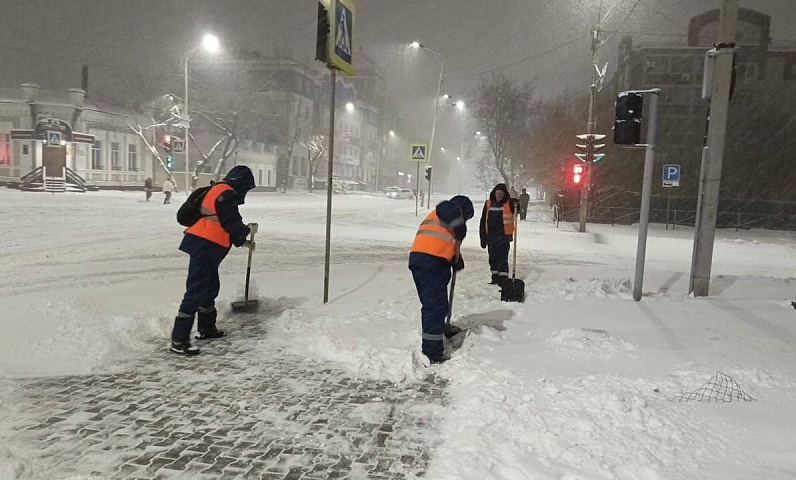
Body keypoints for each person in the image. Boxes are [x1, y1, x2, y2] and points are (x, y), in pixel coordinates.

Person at [170, 165, 256, 356]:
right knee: (196, 291)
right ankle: (179, 339)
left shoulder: (219, 189)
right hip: (204, 245)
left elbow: (222, 222)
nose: (245, 193)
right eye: (247, 187)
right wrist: (245, 231)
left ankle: (206, 329)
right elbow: (230, 221)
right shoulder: (225, 193)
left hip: (208, 245)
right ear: (240, 182)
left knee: (209, 289)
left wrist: (242, 240)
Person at [409, 195, 474, 364]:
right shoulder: (449, 209)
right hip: (430, 261)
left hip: (429, 261)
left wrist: (455, 258)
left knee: (435, 305)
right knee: (435, 307)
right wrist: (461, 228)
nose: (465, 221)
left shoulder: (446, 219)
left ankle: (437, 331)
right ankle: (432, 351)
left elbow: (443, 240)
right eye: (466, 217)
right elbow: (447, 207)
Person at [479, 183, 517, 286]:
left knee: (502, 258)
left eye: (501, 194)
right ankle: (495, 277)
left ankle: (503, 279)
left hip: (503, 237)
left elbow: (517, 210)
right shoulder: (488, 204)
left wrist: (516, 204)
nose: (499, 196)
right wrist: (482, 237)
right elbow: (483, 221)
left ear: (504, 194)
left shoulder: (508, 204)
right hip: (491, 237)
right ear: (494, 194)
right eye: (497, 193)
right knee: (492, 258)